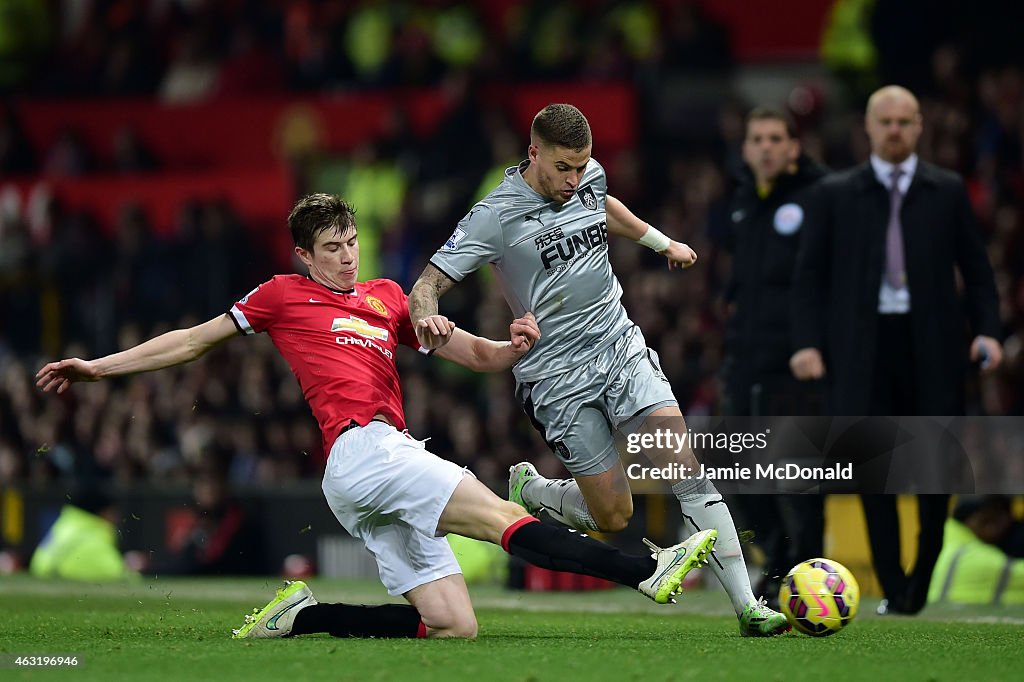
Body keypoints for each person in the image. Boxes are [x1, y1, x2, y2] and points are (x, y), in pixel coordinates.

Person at [36, 193, 718, 640]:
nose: (346, 255)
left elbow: (474, 357)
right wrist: (99, 366)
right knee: (502, 518)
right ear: (304, 255)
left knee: (454, 627)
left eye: (351, 242)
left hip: (373, 467)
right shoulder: (281, 295)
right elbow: (193, 339)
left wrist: (509, 346)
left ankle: (304, 617)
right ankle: (644, 572)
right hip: (363, 453)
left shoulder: (390, 297)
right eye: (331, 247)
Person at [409, 103, 790, 636]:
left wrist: (663, 242)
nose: (574, 179)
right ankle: (537, 493)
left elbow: (603, 205)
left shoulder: (587, 177)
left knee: (683, 465)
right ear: (533, 153)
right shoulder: (493, 215)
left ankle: (748, 606)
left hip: (618, 345)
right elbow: (425, 286)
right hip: (555, 378)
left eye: (582, 166)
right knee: (613, 517)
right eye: (563, 168)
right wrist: (428, 322)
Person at [790, 85, 1003, 615]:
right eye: (886, 121)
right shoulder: (836, 194)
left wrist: (989, 331)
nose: (895, 131)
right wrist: (808, 343)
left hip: (932, 345)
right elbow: (809, 278)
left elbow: (977, 272)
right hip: (860, 350)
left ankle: (920, 581)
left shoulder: (947, 190)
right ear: (867, 125)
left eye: (905, 122)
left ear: (920, 126)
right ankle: (893, 586)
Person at [720, 106, 829, 607]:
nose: (765, 146)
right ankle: (777, 560)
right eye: (756, 138)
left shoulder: (819, 196)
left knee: (798, 475)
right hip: (746, 357)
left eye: (775, 138)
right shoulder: (743, 200)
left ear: (793, 147)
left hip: (798, 360)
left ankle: (809, 573)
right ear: (746, 148)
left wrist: (820, 344)